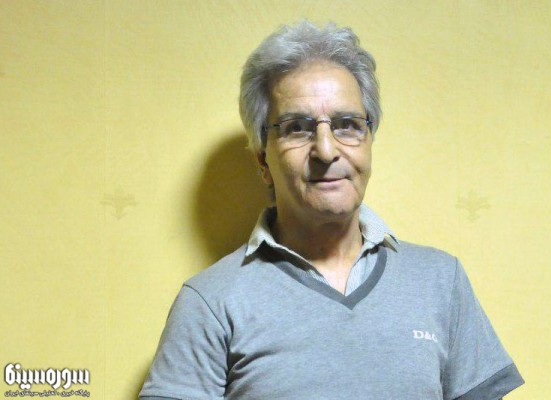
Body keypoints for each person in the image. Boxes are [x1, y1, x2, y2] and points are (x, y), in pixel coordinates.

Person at [139, 20, 524, 400]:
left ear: (368, 142)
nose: (326, 150)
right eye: (297, 127)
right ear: (262, 160)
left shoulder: (440, 281)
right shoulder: (209, 302)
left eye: (347, 124)